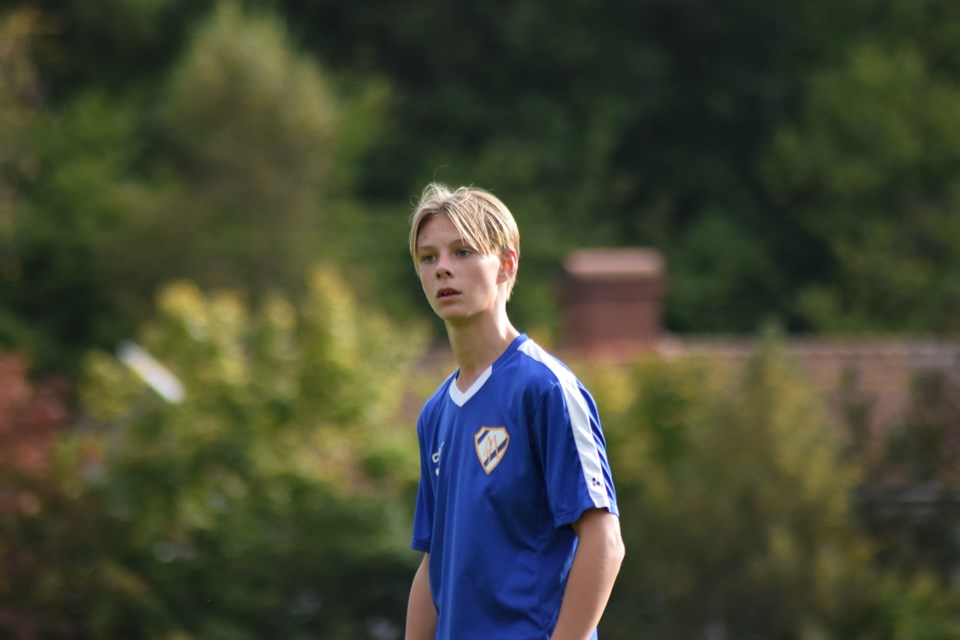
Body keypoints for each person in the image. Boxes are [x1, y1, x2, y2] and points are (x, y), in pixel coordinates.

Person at [404, 183, 625, 640]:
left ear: (506, 264)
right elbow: (434, 561)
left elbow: (604, 541)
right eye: (428, 257)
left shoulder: (546, 388)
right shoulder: (435, 413)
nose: (442, 267)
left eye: (462, 252)